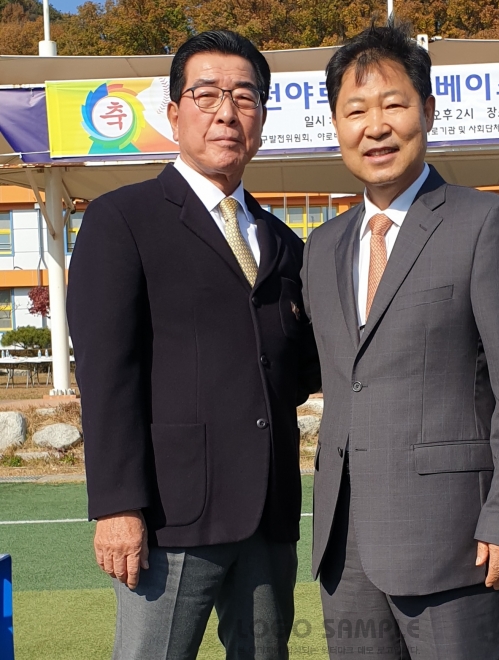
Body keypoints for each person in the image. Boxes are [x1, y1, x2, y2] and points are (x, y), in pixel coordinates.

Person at [301, 22, 499, 660]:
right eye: (356, 111)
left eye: (394, 105)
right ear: (336, 126)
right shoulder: (322, 248)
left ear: (429, 111)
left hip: (457, 544)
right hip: (345, 549)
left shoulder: (485, 223)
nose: (375, 127)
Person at [67, 30, 320, 660]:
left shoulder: (285, 244)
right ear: (174, 113)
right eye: (207, 95)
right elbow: (107, 373)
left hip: (268, 514)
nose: (226, 113)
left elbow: (295, 369)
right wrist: (118, 506)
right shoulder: (122, 220)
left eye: (244, 97)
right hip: (168, 516)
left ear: (261, 117)